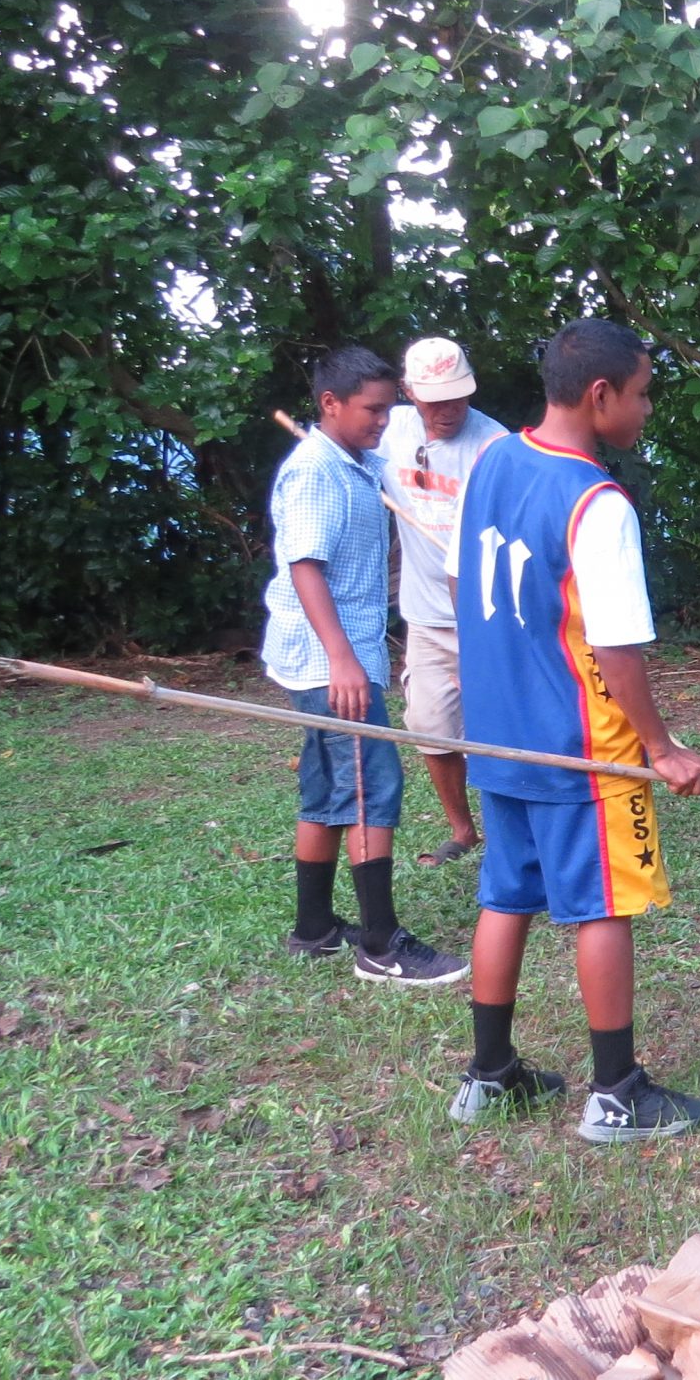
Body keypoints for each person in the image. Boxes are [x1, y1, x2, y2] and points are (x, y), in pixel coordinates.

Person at [444, 318, 700, 1142]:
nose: (644, 410)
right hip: (581, 742)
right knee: (602, 904)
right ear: (600, 396)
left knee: (506, 892)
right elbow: (614, 642)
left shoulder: (492, 460)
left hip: (499, 734)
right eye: (639, 395)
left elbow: (462, 581)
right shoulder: (597, 502)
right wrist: (662, 747)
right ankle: (616, 1094)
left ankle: (488, 1075)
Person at [263, 345, 470, 985]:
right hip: (333, 661)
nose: (384, 421)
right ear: (330, 405)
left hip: (330, 655)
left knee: (326, 789)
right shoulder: (315, 473)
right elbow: (304, 566)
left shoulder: (352, 463)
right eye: (372, 411)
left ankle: (315, 928)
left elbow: (402, 467)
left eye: (388, 409)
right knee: (369, 787)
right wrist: (342, 661)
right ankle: (380, 944)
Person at [377, 337, 509, 867]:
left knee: (502, 727)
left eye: (458, 397)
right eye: (435, 400)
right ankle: (462, 829)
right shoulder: (388, 433)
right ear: (409, 393)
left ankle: (511, 830)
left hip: (489, 614)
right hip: (425, 614)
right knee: (430, 725)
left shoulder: (494, 445)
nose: (449, 410)